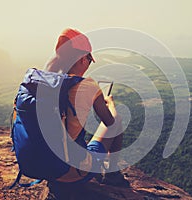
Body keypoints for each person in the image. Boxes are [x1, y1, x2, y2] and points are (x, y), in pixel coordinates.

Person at [44, 28, 129, 198]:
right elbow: (110, 123)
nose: (88, 64)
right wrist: (110, 103)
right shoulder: (88, 86)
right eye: (89, 59)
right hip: (73, 173)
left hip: (47, 168)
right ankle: (113, 175)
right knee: (117, 118)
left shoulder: (45, 83)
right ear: (83, 58)